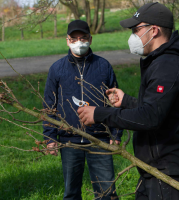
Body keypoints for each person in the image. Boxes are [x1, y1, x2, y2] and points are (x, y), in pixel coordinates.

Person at [78, 2, 179, 200]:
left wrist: (99, 114)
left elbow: (150, 117)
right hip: (152, 167)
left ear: (154, 30)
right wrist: (127, 101)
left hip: (166, 170)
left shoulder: (167, 65)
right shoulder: (158, 60)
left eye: (136, 30)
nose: (132, 36)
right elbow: (159, 108)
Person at [43, 20, 122, 200]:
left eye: (83, 38)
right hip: (69, 138)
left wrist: (116, 134)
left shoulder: (103, 66)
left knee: (107, 193)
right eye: (75, 38)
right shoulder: (57, 69)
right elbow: (49, 104)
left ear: (90, 39)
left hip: (99, 138)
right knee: (71, 193)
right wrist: (49, 137)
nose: (79, 42)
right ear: (67, 40)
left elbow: (115, 101)